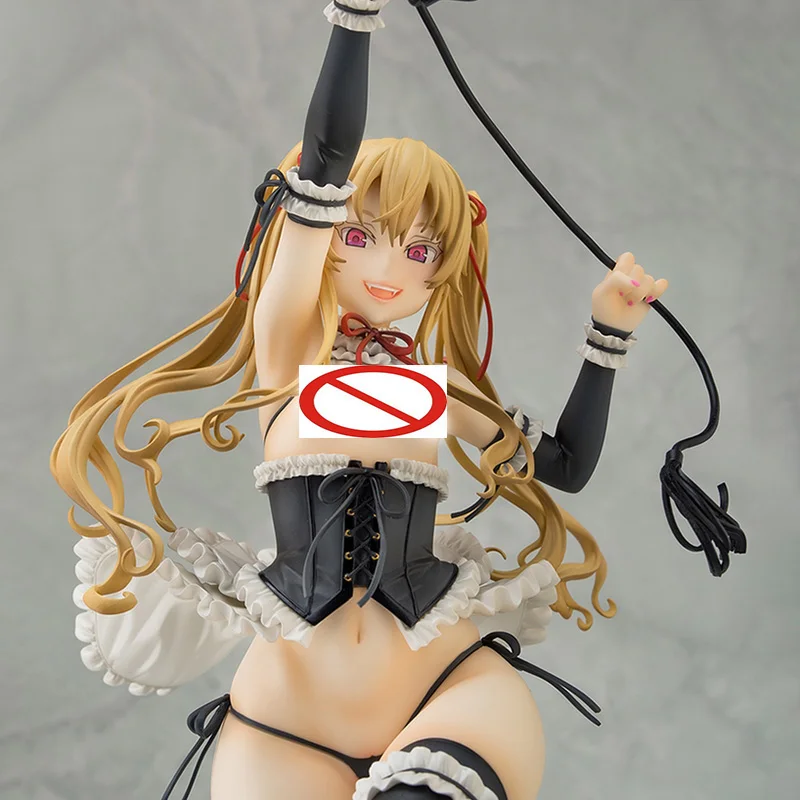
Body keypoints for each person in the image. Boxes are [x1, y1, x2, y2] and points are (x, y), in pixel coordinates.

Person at [51, 2, 668, 798]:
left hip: (443, 686)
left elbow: (568, 467)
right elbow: (327, 159)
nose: (389, 268)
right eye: (358, 234)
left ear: (442, 270)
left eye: (420, 250)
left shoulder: (440, 391)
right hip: (285, 719)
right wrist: (355, 17)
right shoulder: (289, 354)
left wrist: (607, 334)